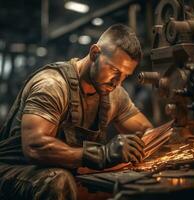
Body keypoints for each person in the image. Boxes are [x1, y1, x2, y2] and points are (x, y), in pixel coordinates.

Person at [0, 24, 152, 200]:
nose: (117, 82)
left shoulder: (114, 94)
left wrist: (177, 132)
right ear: (95, 53)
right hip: (14, 171)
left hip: (62, 170)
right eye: (114, 70)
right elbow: (35, 147)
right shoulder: (52, 85)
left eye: (125, 75)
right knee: (58, 181)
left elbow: (145, 131)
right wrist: (102, 154)